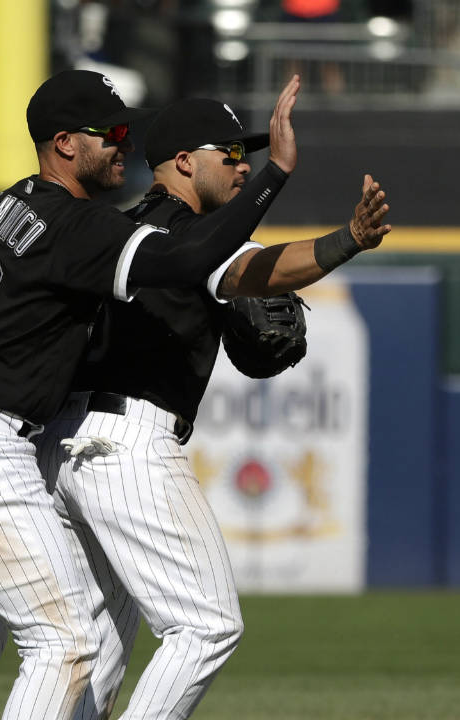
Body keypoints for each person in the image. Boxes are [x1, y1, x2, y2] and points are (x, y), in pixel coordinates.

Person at [0, 69, 302, 719]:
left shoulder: (8, 203)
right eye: (113, 132)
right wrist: (297, 197)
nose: (125, 143)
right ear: (65, 143)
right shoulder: (75, 224)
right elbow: (186, 261)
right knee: (66, 643)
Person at [32, 96, 391, 719]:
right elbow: (256, 271)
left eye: (247, 155)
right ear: (181, 161)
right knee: (207, 626)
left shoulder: (117, 227)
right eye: (229, 154)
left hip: (64, 447)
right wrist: (349, 239)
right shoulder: (188, 235)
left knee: (96, 647)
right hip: (128, 446)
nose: (243, 165)